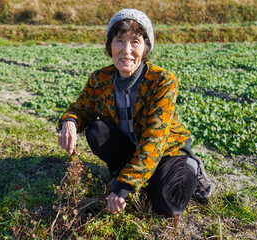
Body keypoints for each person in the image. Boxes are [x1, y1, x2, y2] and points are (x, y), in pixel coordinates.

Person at [58, 9, 214, 217]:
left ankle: (191, 166)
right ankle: (124, 174)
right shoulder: (100, 79)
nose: (126, 50)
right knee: (97, 130)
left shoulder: (162, 81)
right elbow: (81, 109)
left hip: (166, 152)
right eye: (119, 40)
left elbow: (154, 139)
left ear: (146, 48)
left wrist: (124, 187)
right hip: (131, 147)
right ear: (109, 46)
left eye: (135, 42)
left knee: (167, 206)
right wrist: (70, 121)